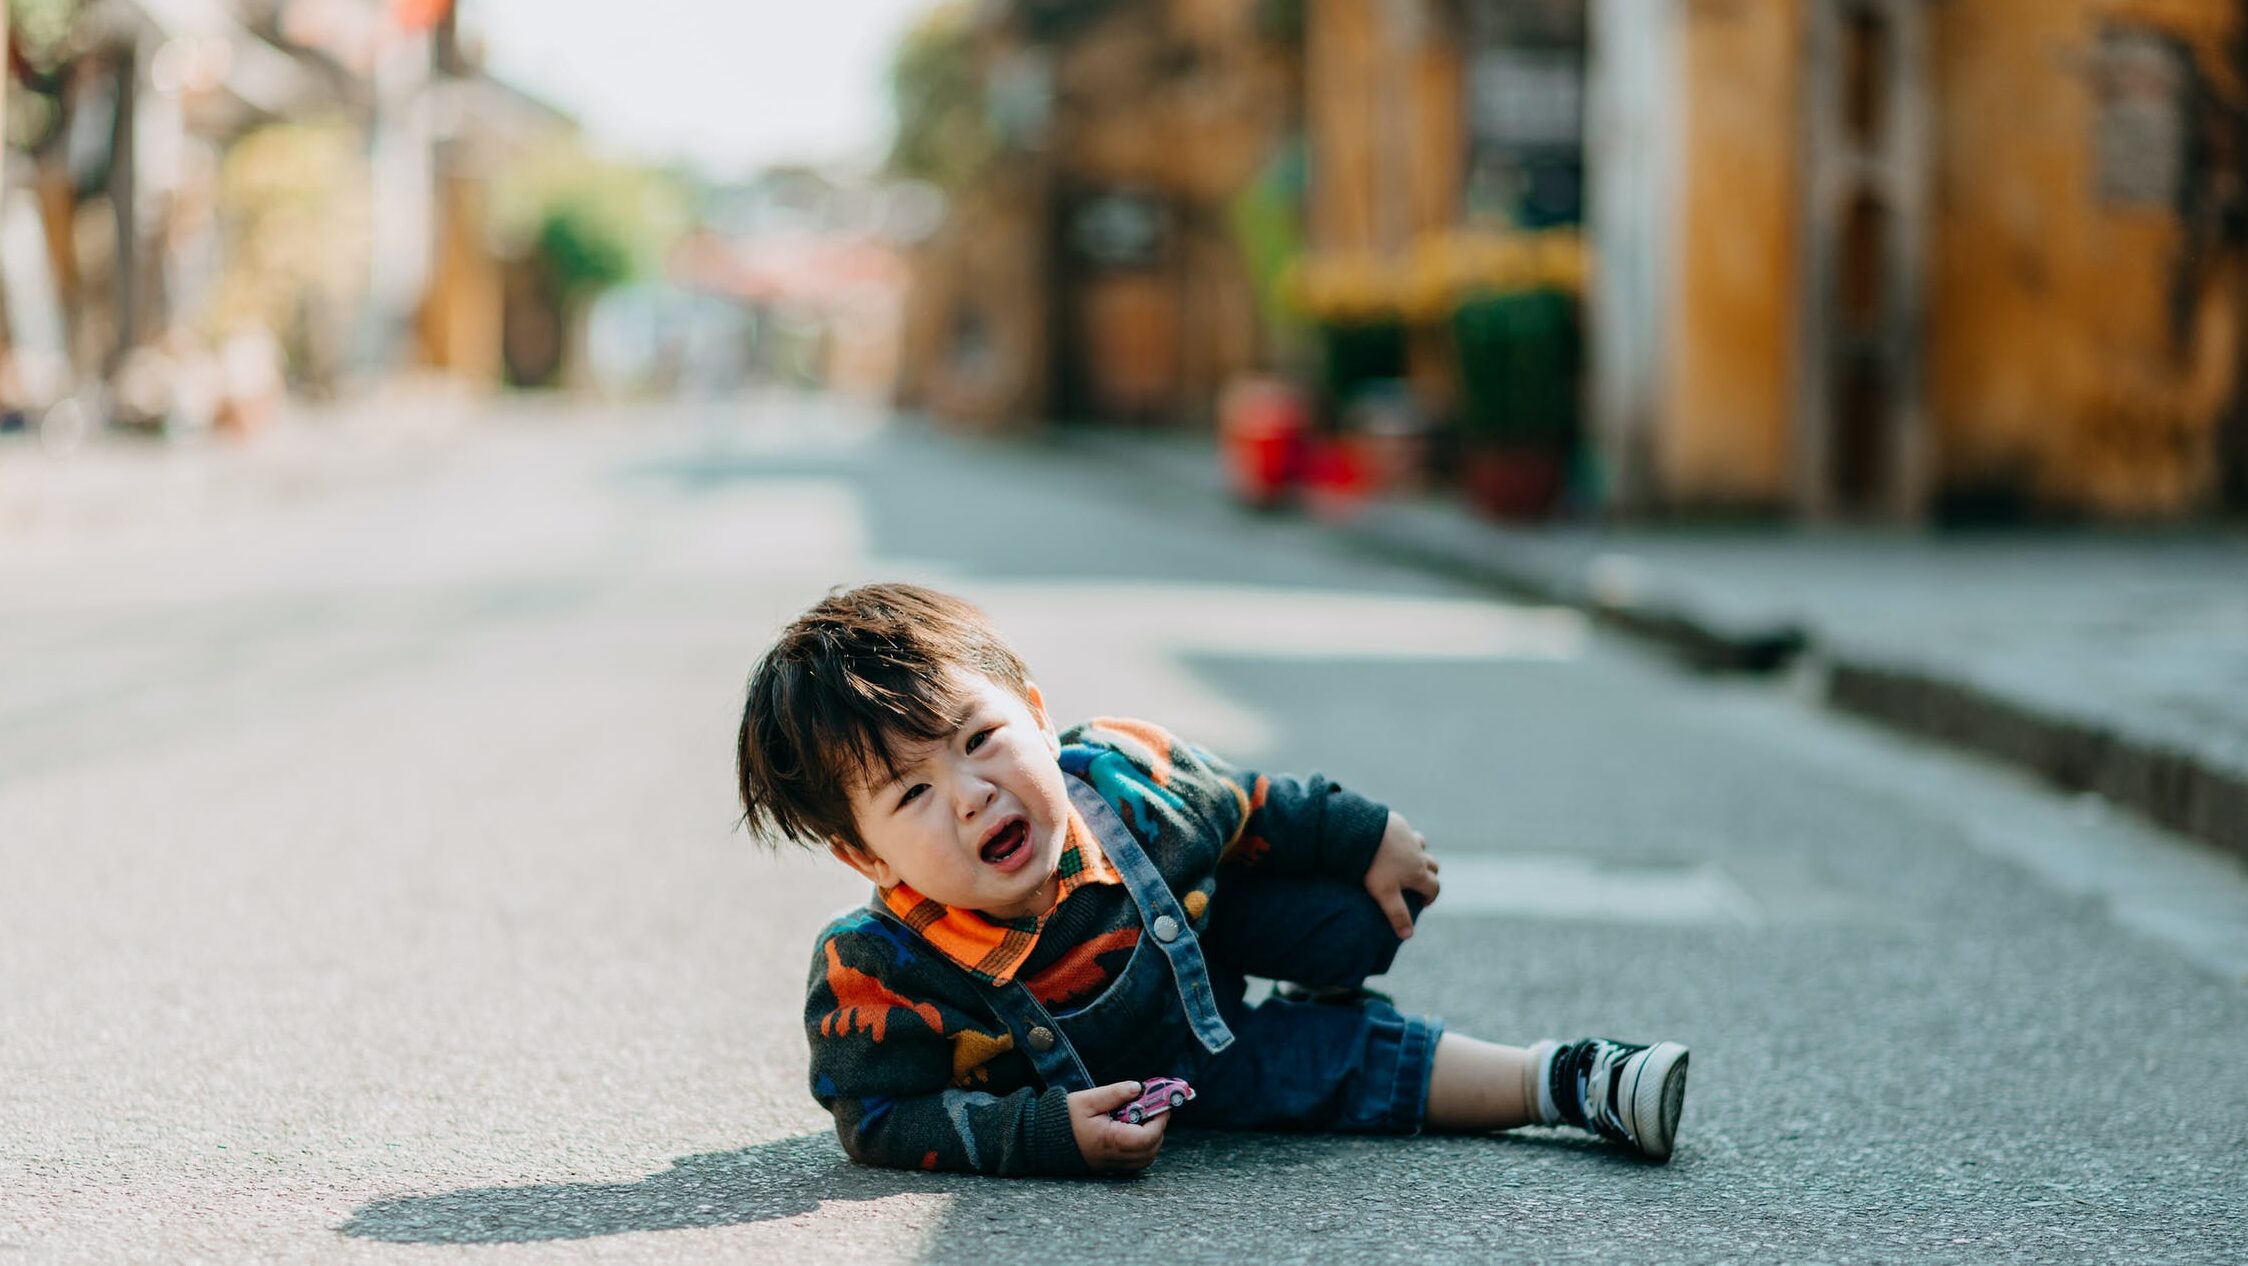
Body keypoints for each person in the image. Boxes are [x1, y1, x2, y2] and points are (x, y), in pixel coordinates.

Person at [735, 582, 1689, 1176]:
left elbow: (1246, 801)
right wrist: (1046, 1135)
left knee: (1356, 909)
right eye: (911, 794)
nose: (973, 795)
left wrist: (1365, 835)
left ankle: (1331, 969)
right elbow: (881, 1118)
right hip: (1185, 1078)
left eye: (981, 740)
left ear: (1034, 711)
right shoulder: (878, 973)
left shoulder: (1122, 777)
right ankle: (1566, 1079)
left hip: (1202, 949)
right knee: (1351, 1063)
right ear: (865, 857)